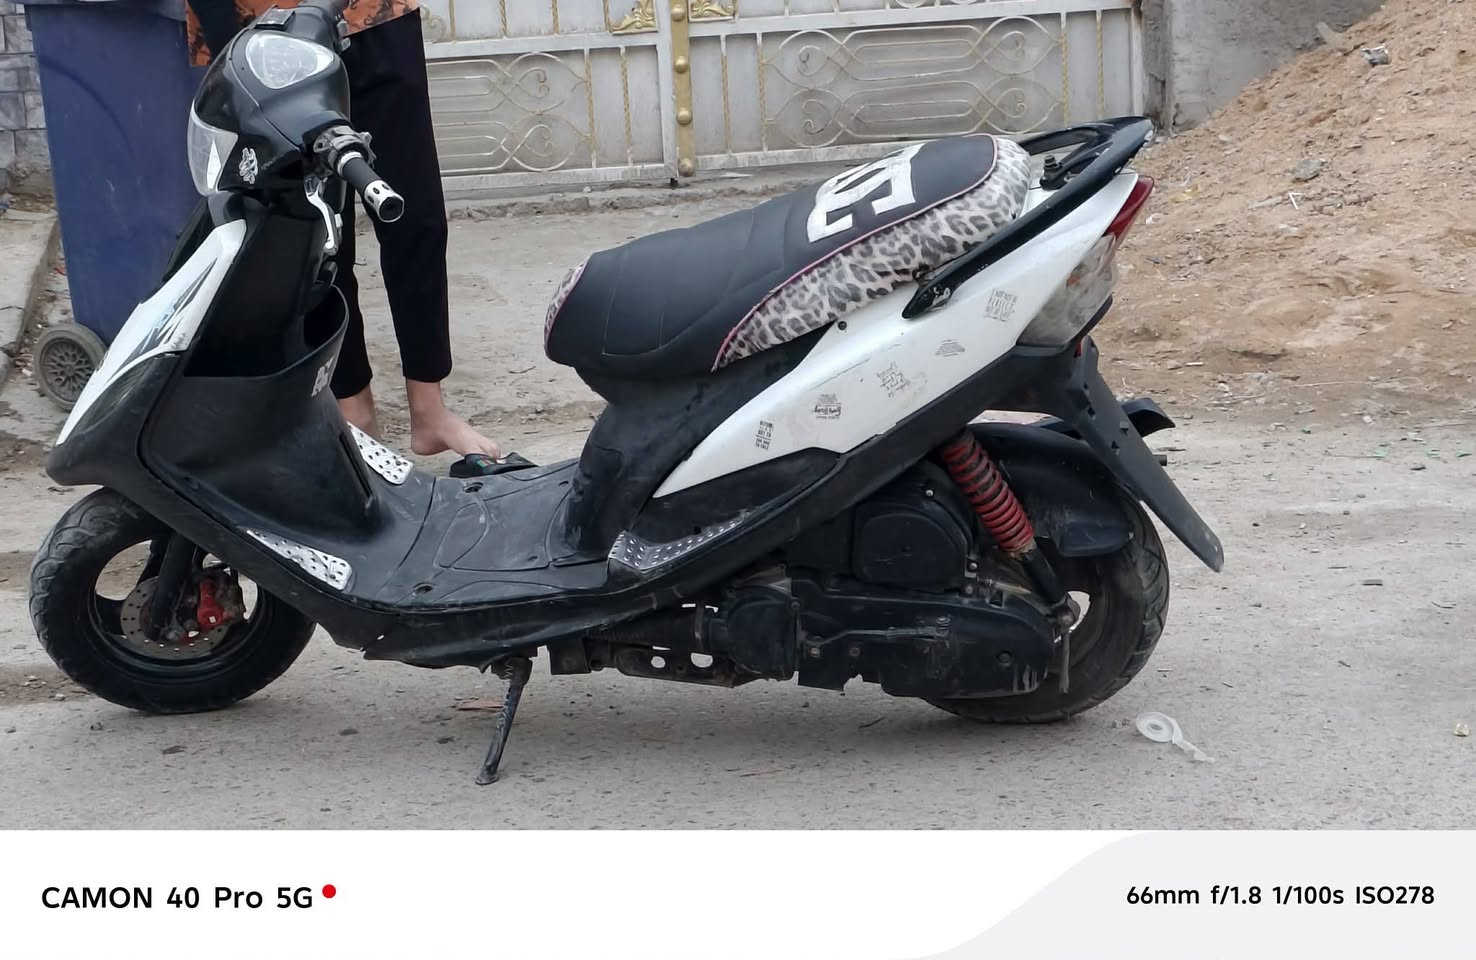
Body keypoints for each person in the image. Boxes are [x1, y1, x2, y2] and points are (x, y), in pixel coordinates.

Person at [185, 0, 499, 458]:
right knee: (315, 232)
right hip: (268, 33)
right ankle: (354, 409)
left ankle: (430, 412)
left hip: (371, 15)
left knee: (415, 216)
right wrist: (225, 40)